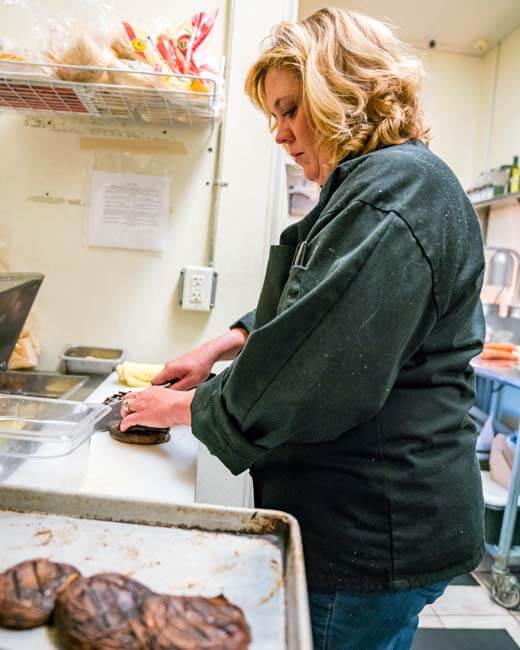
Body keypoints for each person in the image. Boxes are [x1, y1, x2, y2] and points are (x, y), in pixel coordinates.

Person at [119, 8, 486, 649]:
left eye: (291, 110)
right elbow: (324, 302)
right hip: (367, 515)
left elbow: (312, 370)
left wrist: (182, 408)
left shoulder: (394, 191)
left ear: (343, 91)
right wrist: (225, 343)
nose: (281, 133)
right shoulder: (383, 184)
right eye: (274, 116)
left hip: (370, 527)